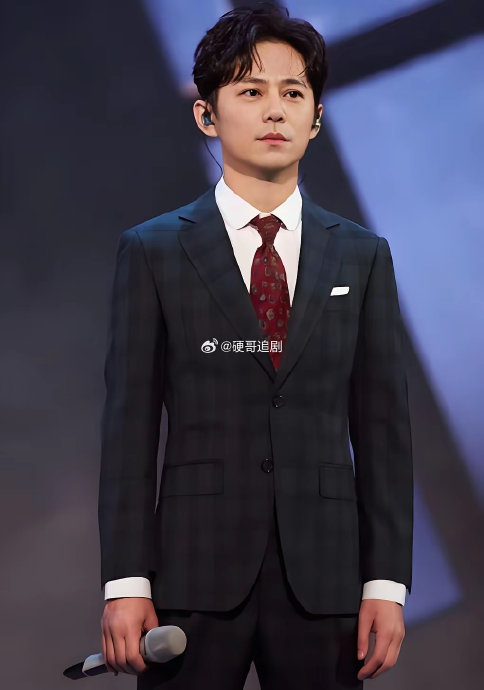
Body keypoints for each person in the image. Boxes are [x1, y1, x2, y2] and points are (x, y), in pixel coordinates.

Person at [98, 4, 413, 688]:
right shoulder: (153, 250)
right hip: (190, 573)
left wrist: (386, 583)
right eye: (250, 90)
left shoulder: (362, 255)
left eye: (293, 93)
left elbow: (384, 430)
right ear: (206, 115)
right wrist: (125, 579)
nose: (275, 110)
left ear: (316, 118)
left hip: (326, 577)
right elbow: (128, 429)